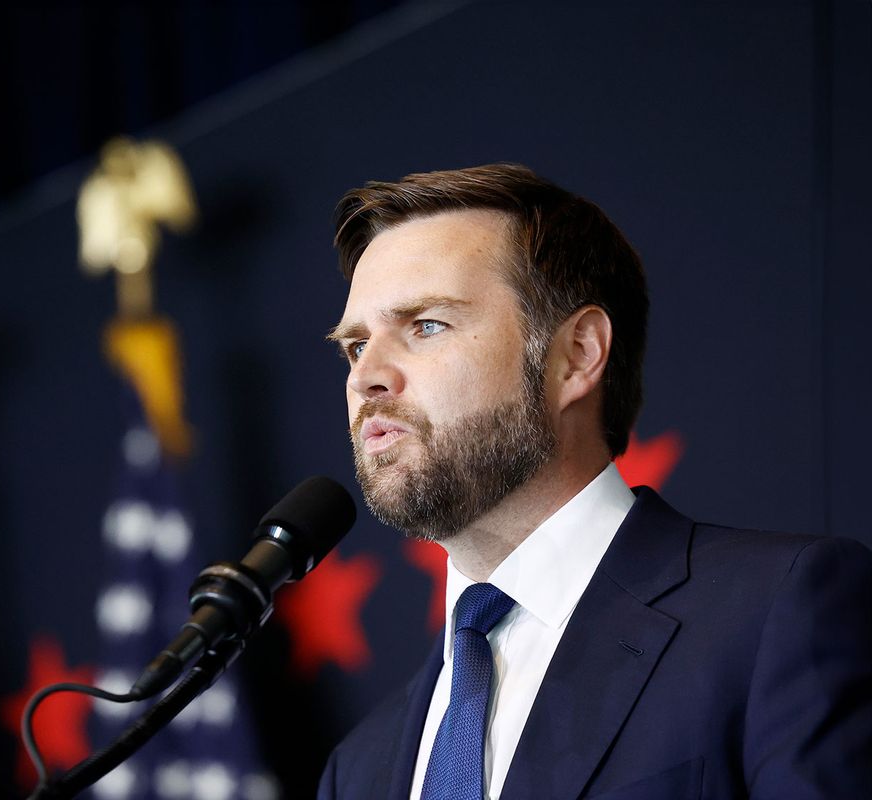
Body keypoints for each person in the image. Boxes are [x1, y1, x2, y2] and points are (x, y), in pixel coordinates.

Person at [317, 164, 872, 800]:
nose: (367, 378)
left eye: (426, 326)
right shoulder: (356, 769)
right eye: (356, 346)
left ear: (577, 354)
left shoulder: (775, 617)